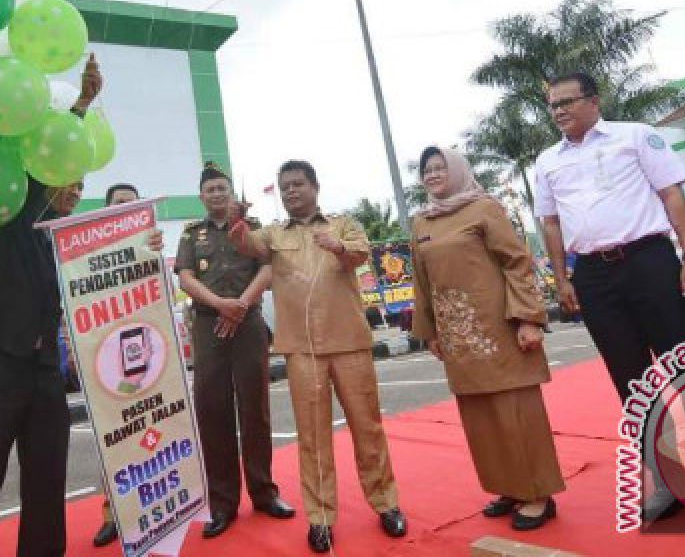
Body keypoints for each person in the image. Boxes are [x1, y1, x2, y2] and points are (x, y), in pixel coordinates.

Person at [532, 72, 685, 523]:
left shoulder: (636, 136)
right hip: (593, 278)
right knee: (633, 384)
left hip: (651, 263)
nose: (559, 110)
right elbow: (550, 224)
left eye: (568, 101)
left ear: (593, 100)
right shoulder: (547, 161)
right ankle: (668, 484)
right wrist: (563, 277)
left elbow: (672, 196)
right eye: (552, 105)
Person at [0, 54, 113, 557]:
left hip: (45, 373)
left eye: (82, 187)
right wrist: (82, 105)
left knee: (47, 477)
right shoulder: (20, 223)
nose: (75, 191)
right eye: (70, 181)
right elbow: (45, 172)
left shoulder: (60, 246)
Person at [231, 160, 405, 554]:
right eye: (284, 186)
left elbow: (360, 255)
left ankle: (386, 503)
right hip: (301, 349)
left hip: (349, 343)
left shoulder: (343, 223)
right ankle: (320, 518)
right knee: (312, 436)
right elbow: (247, 245)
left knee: (368, 428)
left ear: (315, 186)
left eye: (298, 184)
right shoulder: (273, 233)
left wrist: (339, 247)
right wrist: (238, 223)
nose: (291, 191)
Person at [410, 147, 564, 530]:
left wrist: (528, 318)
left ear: (458, 170)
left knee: (517, 414)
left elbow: (516, 262)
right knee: (482, 421)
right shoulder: (421, 222)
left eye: (439, 167)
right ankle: (511, 487)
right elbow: (420, 282)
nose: (432, 175)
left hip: (502, 328)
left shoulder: (484, 208)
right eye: (426, 170)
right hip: (457, 336)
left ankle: (538, 495)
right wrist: (428, 331)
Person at [175, 163, 294, 538]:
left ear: (231, 192)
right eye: (209, 190)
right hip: (209, 325)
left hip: (249, 323)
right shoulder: (192, 235)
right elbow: (185, 276)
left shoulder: (254, 228)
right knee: (213, 413)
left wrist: (240, 304)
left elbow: (268, 267)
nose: (216, 195)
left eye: (221, 188)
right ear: (201, 197)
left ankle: (264, 494)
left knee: (255, 408)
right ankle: (223, 505)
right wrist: (219, 304)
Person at [91, 182, 142, 547]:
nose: (125, 208)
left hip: (146, 360)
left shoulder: (148, 246)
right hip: (106, 360)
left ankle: (150, 507)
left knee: (151, 435)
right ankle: (112, 513)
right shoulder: (89, 253)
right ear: (106, 208)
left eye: (131, 204)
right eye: (119, 203)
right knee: (112, 438)